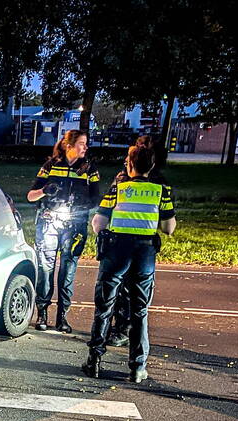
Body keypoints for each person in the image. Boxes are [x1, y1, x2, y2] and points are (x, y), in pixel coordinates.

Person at [82, 143, 176, 383]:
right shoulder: (161, 190)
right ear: (152, 166)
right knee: (140, 310)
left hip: (116, 250)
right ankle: (137, 367)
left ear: (130, 164)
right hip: (144, 252)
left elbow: (98, 223)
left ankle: (94, 361)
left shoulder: (119, 188)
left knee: (104, 307)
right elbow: (169, 228)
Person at [27, 130, 101, 333]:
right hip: (49, 223)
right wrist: (44, 191)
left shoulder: (89, 169)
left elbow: (96, 199)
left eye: (86, 144)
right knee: (45, 268)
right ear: (69, 146)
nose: (85, 148)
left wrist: (81, 204)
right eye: (81, 144)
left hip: (75, 226)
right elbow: (30, 196)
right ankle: (42, 313)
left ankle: (62, 317)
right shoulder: (50, 166)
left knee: (68, 270)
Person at [107, 136, 166, 347]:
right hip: (139, 246)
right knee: (124, 293)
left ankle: (122, 333)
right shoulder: (122, 179)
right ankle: (124, 334)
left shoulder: (156, 182)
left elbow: (103, 214)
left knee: (125, 293)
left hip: (133, 246)